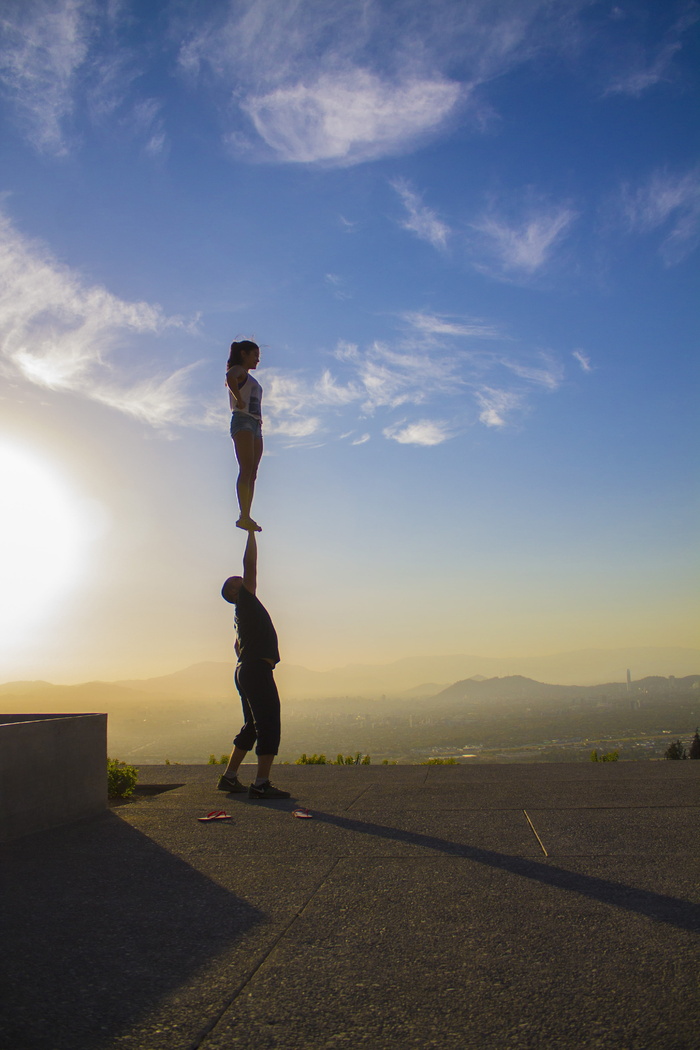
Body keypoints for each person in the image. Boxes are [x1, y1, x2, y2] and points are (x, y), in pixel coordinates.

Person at [218, 528, 290, 800]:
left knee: (251, 725)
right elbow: (251, 565)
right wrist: (250, 532)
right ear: (235, 591)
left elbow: (236, 647)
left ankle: (229, 777)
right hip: (255, 670)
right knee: (269, 722)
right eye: (237, 581)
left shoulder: (241, 614)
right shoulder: (245, 602)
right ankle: (261, 784)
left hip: (245, 669)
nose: (242, 580)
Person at [226, 339, 263, 532]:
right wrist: (239, 399)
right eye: (255, 355)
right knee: (246, 468)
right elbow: (230, 377)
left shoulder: (251, 379)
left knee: (253, 472)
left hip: (256, 425)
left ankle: (247, 514)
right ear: (244, 354)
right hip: (243, 420)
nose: (258, 359)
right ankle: (244, 516)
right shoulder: (239, 371)